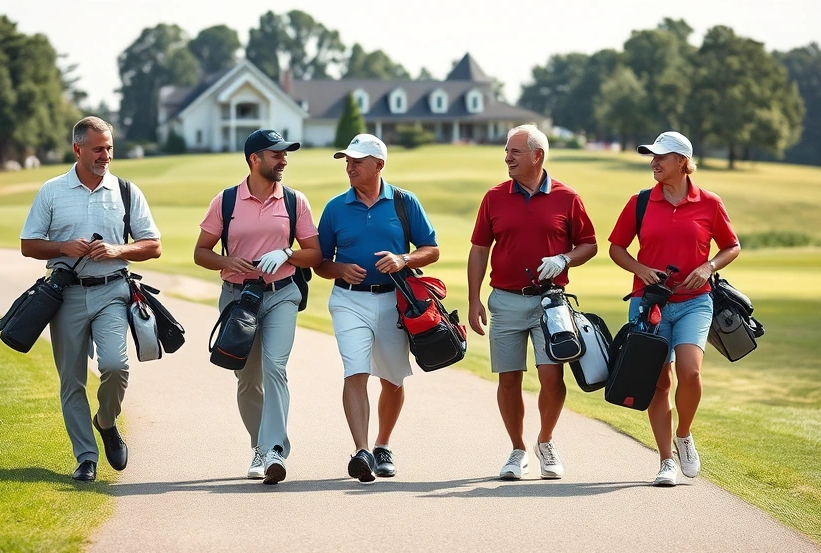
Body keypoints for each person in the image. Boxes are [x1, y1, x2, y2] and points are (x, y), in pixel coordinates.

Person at [20, 116, 162, 482]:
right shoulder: (52, 191)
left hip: (113, 291)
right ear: (77, 149)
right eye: (98, 148)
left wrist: (118, 250)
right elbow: (28, 244)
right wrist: (62, 247)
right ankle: (86, 459)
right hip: (64, 296)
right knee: (72, 382)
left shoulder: (127, 191)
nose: (106, 155)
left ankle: (106, 421)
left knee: (116, 366)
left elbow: (153, 245)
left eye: (110, 148)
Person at [608, 131, 740, 486]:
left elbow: (731, 246)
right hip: (648, 303)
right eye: (651, 156)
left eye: (661, 157)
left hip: (695, 302)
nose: (654, 162)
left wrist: (708, 266)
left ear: (683, 161)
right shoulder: (639, 202)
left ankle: (684, 435)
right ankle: (666, 460)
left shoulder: (709, 202)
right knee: (659, 382)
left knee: (691, 372)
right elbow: (617, 248)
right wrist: (640, 269)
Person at [467, 124, 597, 481]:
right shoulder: (494, 197)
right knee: (508, 378)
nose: (507, 158)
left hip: (551, 306)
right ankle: (517, 449)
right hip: (505, 302)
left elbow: (589, 243)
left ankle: (546, 441)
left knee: (551, 377)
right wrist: (474, 299)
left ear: (537, 156)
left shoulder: (567, 197)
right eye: (506, 152)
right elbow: (479, 249)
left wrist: (564, 259)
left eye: (515, 152)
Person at [193, 129, 322, 485]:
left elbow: (315, 253)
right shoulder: (227, 201)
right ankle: (261, 448)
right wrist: (228, 261)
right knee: (248, 379)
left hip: (282, 294)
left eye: (285, 155)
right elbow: (200, 252)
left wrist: (287, 253)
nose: (283, 161)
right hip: (238, 301)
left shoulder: (296, 201)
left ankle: (275, 450)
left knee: (275, 367)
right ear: (255, 159)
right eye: (276, 154)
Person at [314, 134, 440, 483]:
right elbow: (320, 262)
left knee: (392, 378)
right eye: (347, 161)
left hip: (393, 301)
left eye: (357, 161)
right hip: (348, 300)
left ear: (379, 165)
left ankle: (383, 444)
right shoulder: (336, 207)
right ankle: (362, 450)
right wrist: (338, 269)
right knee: (354, 371)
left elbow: (431, 249)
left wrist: (403, 259)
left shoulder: (404, 202)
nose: (349, 167)